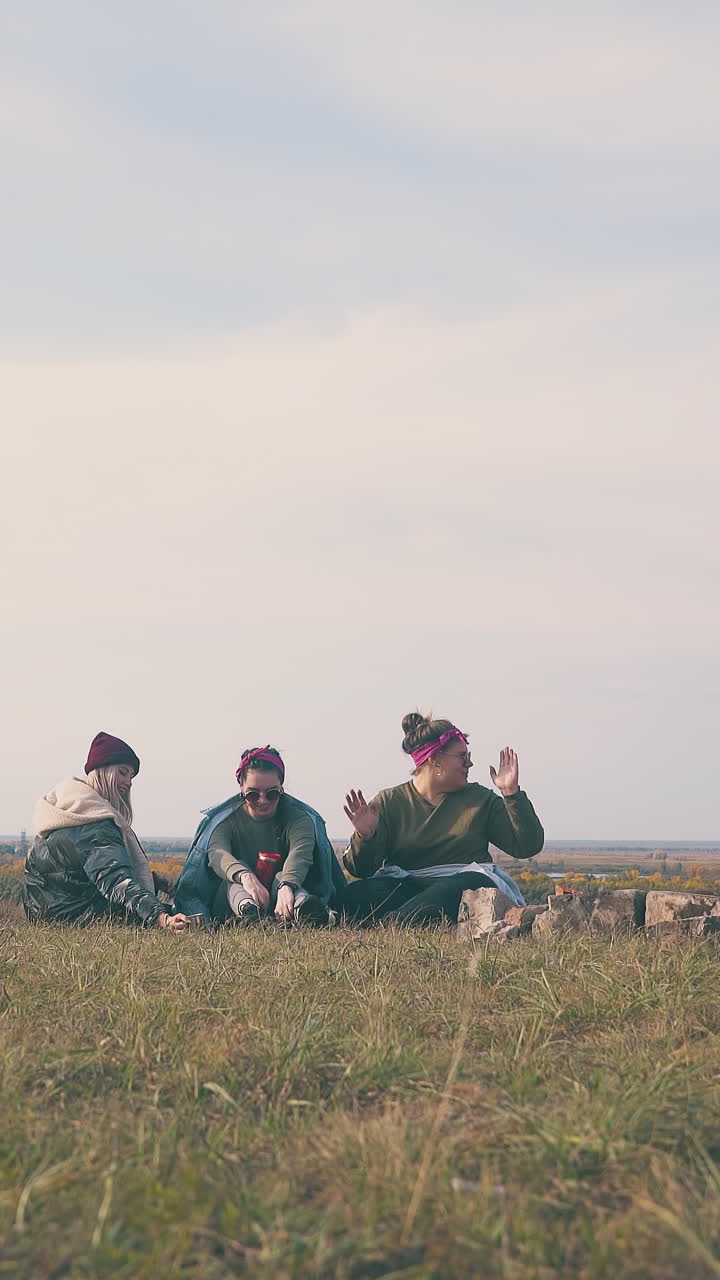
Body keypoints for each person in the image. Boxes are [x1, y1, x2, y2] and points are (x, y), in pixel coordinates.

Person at [342, 712, 544, 926]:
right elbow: (361, 871)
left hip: (461, 887)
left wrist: (512, 794)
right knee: (355, 894)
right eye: (462, 756)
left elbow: (526, 846)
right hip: (408, 886)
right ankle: (409, 919)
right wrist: (365, 837)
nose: (470, 763)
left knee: (472, 883)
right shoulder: (390, 801)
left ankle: (394, 923)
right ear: (434, 759)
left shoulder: (480, 799)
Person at [24, 731, 189, 931]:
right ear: (103, 770)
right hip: (75, 920)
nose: (128, 782)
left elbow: (84, 872)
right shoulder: (94, 824)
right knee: (184, 917)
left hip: (42, 914)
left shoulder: (68, 809)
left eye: (131, 776)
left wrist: (155, 881)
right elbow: (115, 880)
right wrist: (162, 918)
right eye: (122, 772)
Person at [174, 745, 346, 925]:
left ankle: (306, 912)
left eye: (272, 794)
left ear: (282, 786)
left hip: (282, 896)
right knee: (236, 877)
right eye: (253, 794)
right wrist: (245, 876)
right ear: (241, 787)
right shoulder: (223, 821)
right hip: (234, 900)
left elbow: (300, 854)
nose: (263, 800)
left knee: (283, 877)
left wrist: (286, 885)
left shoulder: (299, 818)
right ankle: (250, 915)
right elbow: (218, 854)